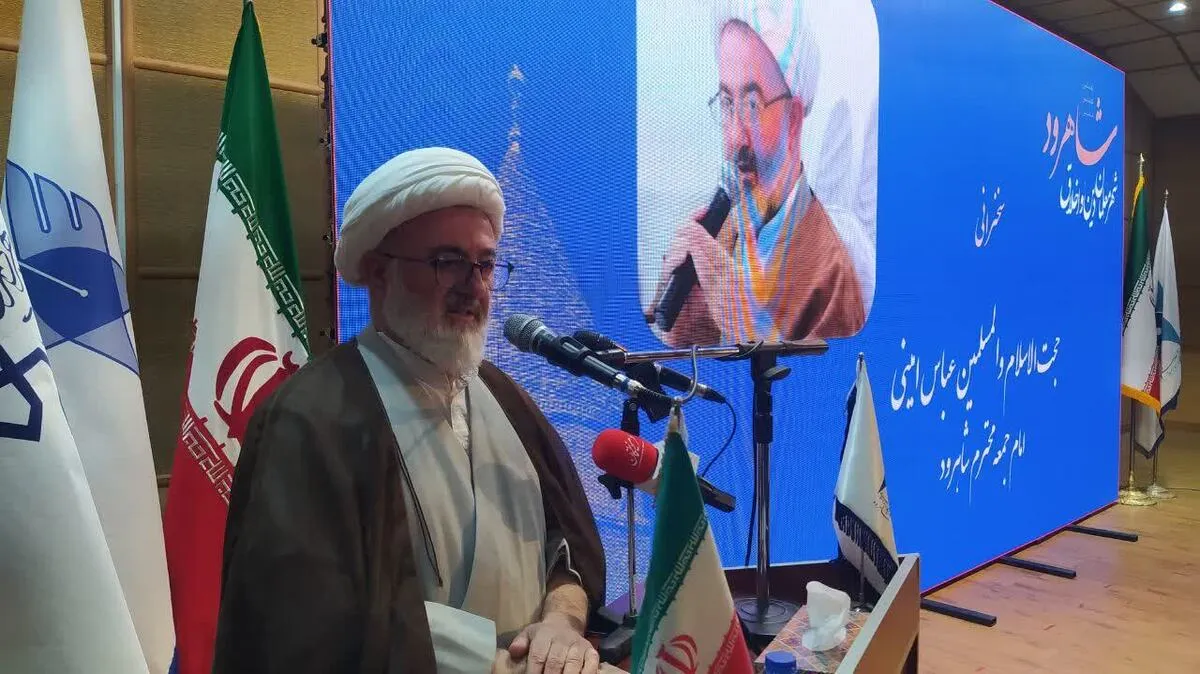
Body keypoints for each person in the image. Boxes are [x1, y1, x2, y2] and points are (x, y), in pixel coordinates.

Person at [211, 147, 610, 674]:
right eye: (448, 262)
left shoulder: (504, 396)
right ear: (379, 273)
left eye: (486, 264)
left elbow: (568, 547)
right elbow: (305, 620)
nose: (475, 285)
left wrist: (561, 626)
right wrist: (492, 663)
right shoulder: (311, 417)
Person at [646, 2, 866, 347]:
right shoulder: (722, 230)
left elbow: (823, 373)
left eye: (752, 105)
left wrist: (748, 324)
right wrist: (682, 333)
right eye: (726, 103)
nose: (735, 137)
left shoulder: (831, 272)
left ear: (794, 121)